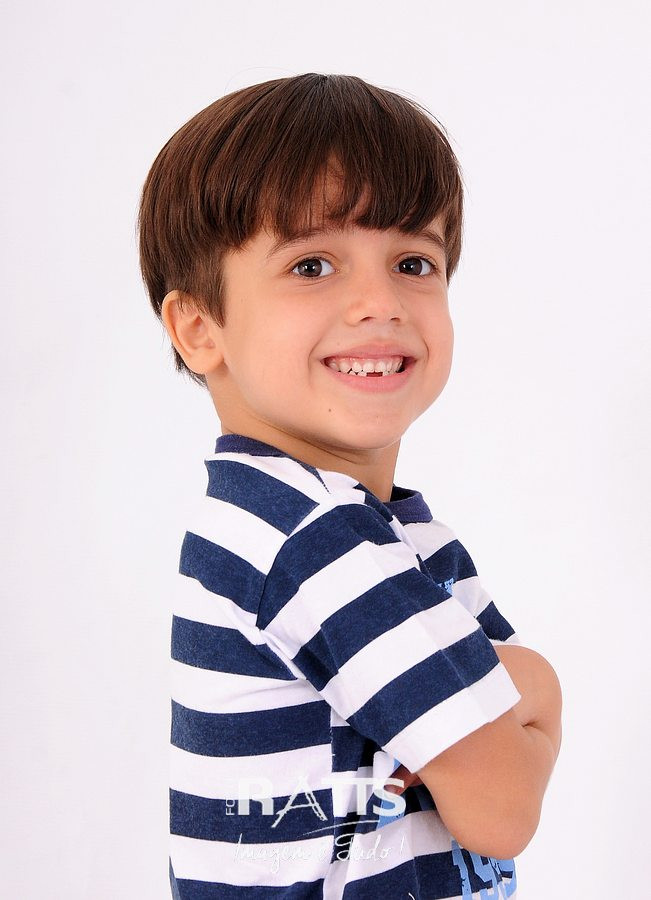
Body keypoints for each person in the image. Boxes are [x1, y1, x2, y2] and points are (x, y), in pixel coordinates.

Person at [138, 72, 562, 899]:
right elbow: (502, 804)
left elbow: (485, 731)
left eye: (413, 262)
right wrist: (541, 680)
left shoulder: (317, 524)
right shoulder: (317, 537)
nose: (379, 301)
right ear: (198, 327)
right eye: (312, 264)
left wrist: (494, 703)